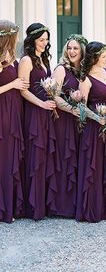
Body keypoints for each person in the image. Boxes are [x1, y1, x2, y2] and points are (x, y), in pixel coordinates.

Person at [75, 41, 106, 222]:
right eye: (104, 56)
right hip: (95, 127)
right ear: (95, 57)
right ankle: (93, 208)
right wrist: (97, 118)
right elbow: (81, 107)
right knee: (95, 165)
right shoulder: (85, 79)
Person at [18, 23, 59, 220]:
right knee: (35, 154)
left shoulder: (43, 58)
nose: (45, 43)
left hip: (46, 111)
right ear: (32, 39)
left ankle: (43, 203)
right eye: (42, 39)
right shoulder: (26, 60)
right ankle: (32, 206)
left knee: (44, 156)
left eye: (46, 39)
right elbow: (23, 90)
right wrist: (41, 104)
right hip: (34, 111)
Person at [52, 34, 88, 218]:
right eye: (69, 47)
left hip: (78, 122)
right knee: (65, 159)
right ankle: (62, 205)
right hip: (64, 121)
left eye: (75, 48)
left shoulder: (83, 71)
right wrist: (71, 109)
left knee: (77, 160)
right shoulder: (61, 69)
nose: (71, 51)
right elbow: (54, 95)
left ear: (82, 51)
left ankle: (75, 203)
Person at [0, 20, 29, 223]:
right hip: (3, 111)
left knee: (12, 158)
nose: (18, 38)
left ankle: (11, 206)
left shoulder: (13, 57)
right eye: (16, 34)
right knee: (4, 158)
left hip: (15, 111)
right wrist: (13, 84)